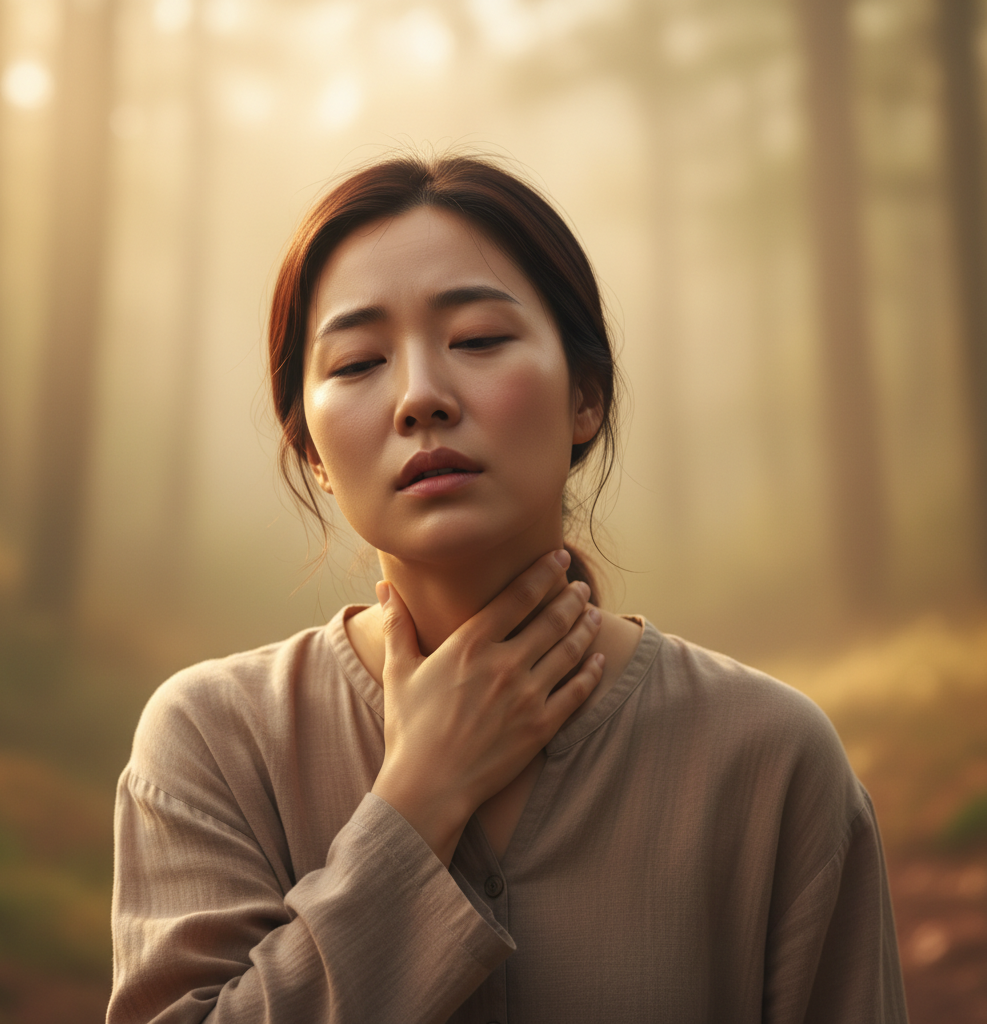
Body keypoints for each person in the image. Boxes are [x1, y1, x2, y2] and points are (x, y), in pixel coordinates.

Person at [107, 154, 908, 1023]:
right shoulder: (215, 744)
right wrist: (416, 803)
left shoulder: (771, 760)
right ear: (312, 453)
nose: (420, 397)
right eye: (357, 362)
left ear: (585, 398)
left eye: (480, 340)